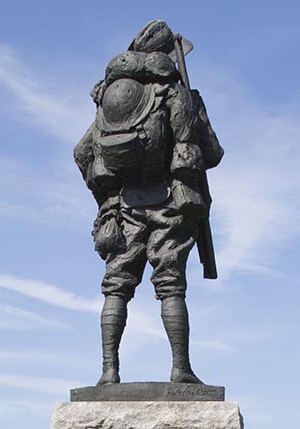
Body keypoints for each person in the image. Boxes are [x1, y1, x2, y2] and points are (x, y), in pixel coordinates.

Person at [73, 20, 223, 385]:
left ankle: (109, 372)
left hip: (124, 208)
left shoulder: (112, 98)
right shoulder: (175, 94)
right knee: (170, 285)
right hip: (170, 203)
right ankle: (181, 369)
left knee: (116, 286)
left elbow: (82, 153)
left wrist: (108, 197)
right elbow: (213, 154)